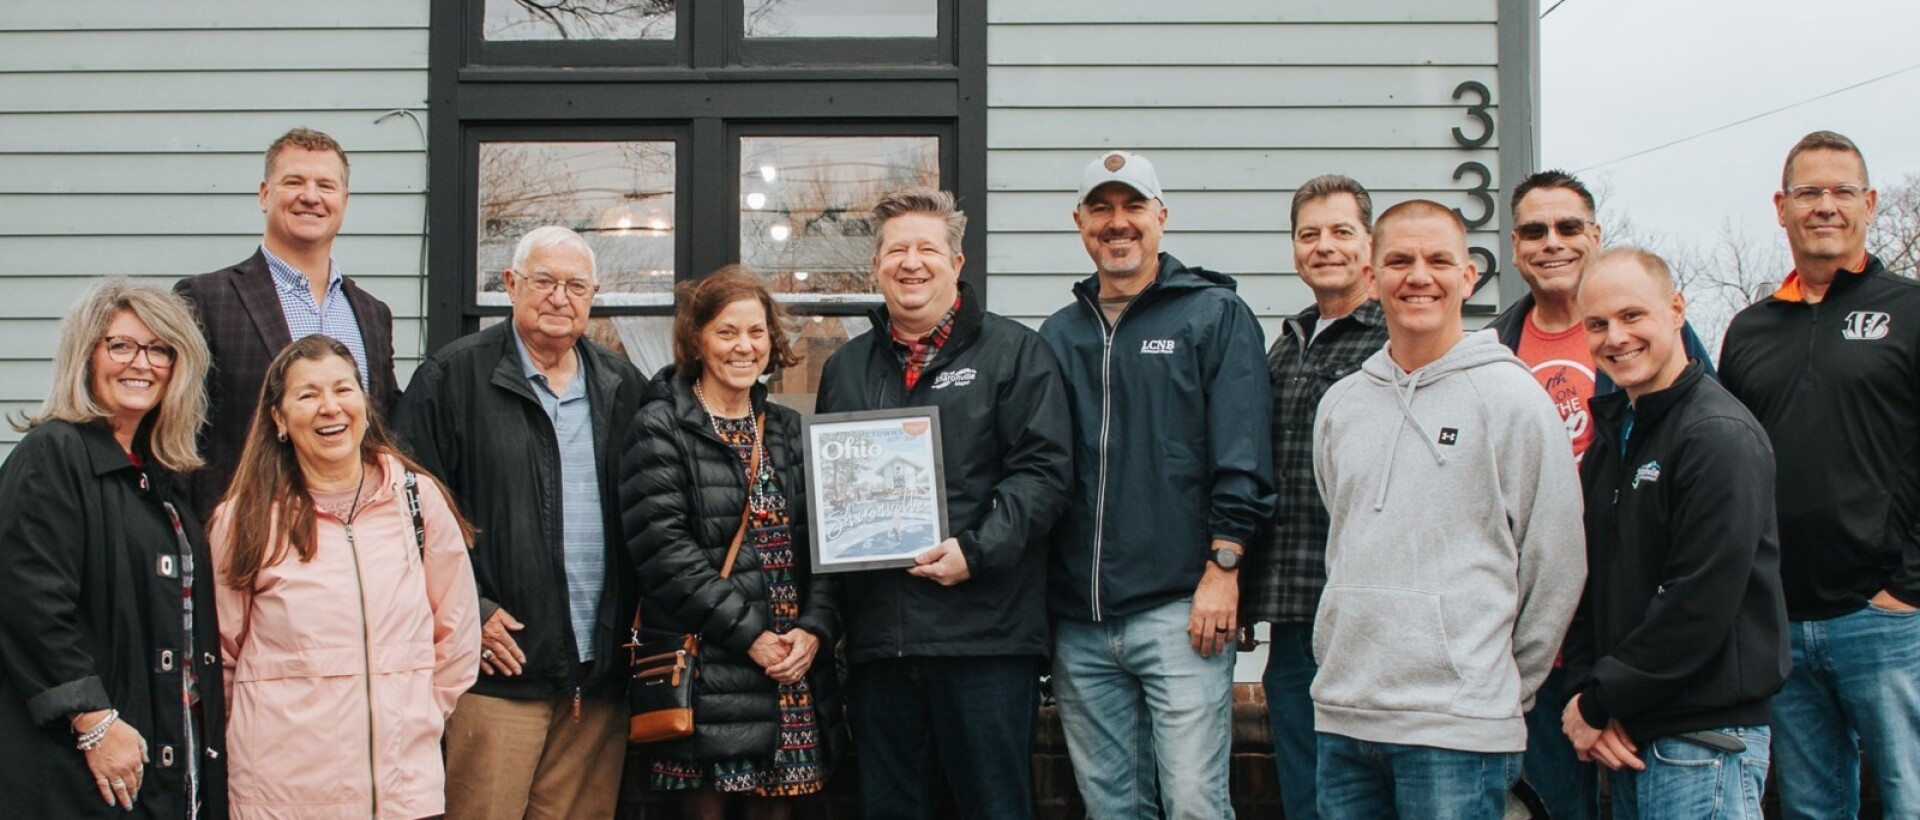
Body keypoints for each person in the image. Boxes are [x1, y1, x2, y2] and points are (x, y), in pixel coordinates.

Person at [1310, 200, 1584, 819]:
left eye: (1438, 260)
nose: (1418, 276)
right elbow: (1345, 536)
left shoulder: (1514, 400)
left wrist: (1500, 689)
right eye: (1399, 260)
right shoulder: (1341, 405)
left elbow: (1555, 562)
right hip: (1345, 713)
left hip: (1459, 731)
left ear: (1469, 276)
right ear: (1372, 276)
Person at [814, 187, 1072, 819]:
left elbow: (1044, 475)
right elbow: (827, 495)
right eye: (896, 249)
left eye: (928, 248)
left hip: (983, 638)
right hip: (881, 644)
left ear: (957, 263)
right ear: (875, 267)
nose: (911, 262)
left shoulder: (1016, 354)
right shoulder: (846, 368)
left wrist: (976, 553)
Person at [1040, 151, 1274, 819]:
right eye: (1102, 209)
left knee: (1196, 804)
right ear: (1079, 222)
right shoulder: (1058, 335)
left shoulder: (1213, 316)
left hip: (1182, 612)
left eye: (1133, 207)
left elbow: (1243, 450)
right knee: (1112, 809)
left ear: (1161, 217)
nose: (1119, 224)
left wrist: (1225, 564)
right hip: (1080, 624)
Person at [393, 225, 642, 820]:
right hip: (497, 670)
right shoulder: (452, 379)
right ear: (510, 285)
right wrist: (471, 611)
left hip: (598, 673)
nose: (560, 297)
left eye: (575, 285)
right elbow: (403, 515)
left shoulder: (621, 386)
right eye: (544, 281)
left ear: (594, 295)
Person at [1489, 169, 1717, 820]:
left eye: (1568, 227)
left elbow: (1701, 461)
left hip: (1631, 619)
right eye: (1534, 230)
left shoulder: (1653, 339)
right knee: (1548, 804)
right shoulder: (1495, 348)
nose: (1551, 242)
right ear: (1514, 247)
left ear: (1595, 235)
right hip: (1536, 629)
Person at [1719, 130, 1920, 819]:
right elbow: (1732, 466)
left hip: (1887, 617)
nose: (1825, 206)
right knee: (1809, 809)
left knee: (1909, 799)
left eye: (1841, 192)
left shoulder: (1910, 311)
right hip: (1781, 620)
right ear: (1782, 207)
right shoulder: (1750, 329)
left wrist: (1909, 584)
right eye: (1809, 192)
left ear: (1869, 203)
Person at [207, 334, 476, 818]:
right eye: (308, 395)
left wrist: (415, 715)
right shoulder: (243, 519)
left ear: (365, 404)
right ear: (279, 419)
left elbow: (456, 637)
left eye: (343, 390)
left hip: (404, 795)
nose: (330, 407)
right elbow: (220, 659)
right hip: (283, 799)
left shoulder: (417, 502)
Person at [1562, 248, 1788, 820]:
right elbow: (1592, 584)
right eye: (1597, 324)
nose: (1616, 337)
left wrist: (1597, 700)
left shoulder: (1717, 435)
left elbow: (1699, 600)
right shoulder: (1613, 443)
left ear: (1676, 309)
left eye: (1632, 316)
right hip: (1632, 734)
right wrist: (1593, 694)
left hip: (1705, 743)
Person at [0, 281, 226, 818]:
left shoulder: (156, 475)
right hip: (77, 770)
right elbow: (29, 604)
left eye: (159, 349)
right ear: (88, 354)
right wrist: (93, 720)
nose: (141, 363)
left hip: (160, 759)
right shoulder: (52, 454)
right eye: (120, 345)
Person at [622, 267, 840, 819]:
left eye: (757, 332)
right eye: (727, 332)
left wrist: (814, 631)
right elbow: (664, 555)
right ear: (697, 340)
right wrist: (754, 638)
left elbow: (826, 543)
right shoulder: (661, 426)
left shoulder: (788, 428)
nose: (744, 347)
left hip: (789, 670)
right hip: (711, 671)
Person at [1241, 174, 1390, 820]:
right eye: (1309, 234)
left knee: (1371, 798)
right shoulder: (1284, 347)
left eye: (1340, 232)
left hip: (1373, 618)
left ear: (1369, 245)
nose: (1323, 246)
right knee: (1308, 800)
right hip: (1296, 614)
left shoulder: (1395, 340)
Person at [174, 127, 400, 521]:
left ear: (344, 202)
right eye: (294, 181)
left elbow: (383, 433)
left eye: (325, 185)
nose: (310, 196)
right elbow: (175, 435)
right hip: (247, 541)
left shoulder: (371, 314)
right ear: (265, 194)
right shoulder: (206, 300)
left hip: (355, 541)